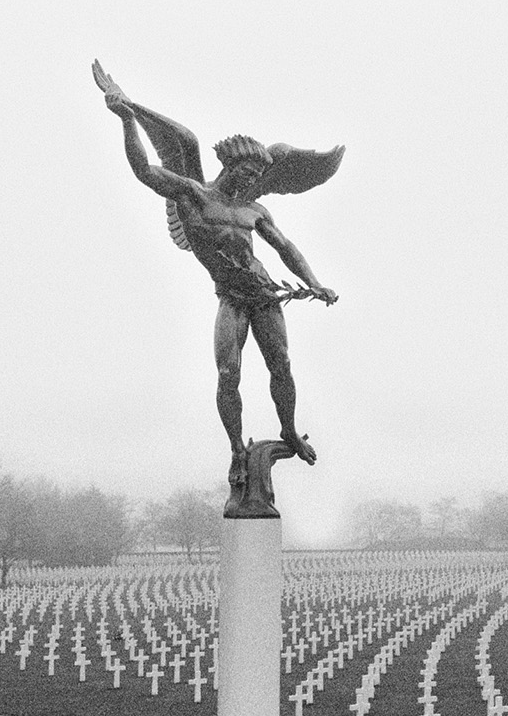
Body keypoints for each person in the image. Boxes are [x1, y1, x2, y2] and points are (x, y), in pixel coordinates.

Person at [101, 80, 338, 501]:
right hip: (230, 296)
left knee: (281, 364)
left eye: (257, 177)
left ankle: (288, 429)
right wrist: (127, 118)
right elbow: (145, 171)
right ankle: (236, 449)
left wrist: (315, 283)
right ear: (231, 168)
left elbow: (284, 247)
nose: (253, 182)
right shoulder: (193, 194)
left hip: (264, 294)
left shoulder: (253, 210)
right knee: (229, 374)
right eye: (247, 174)